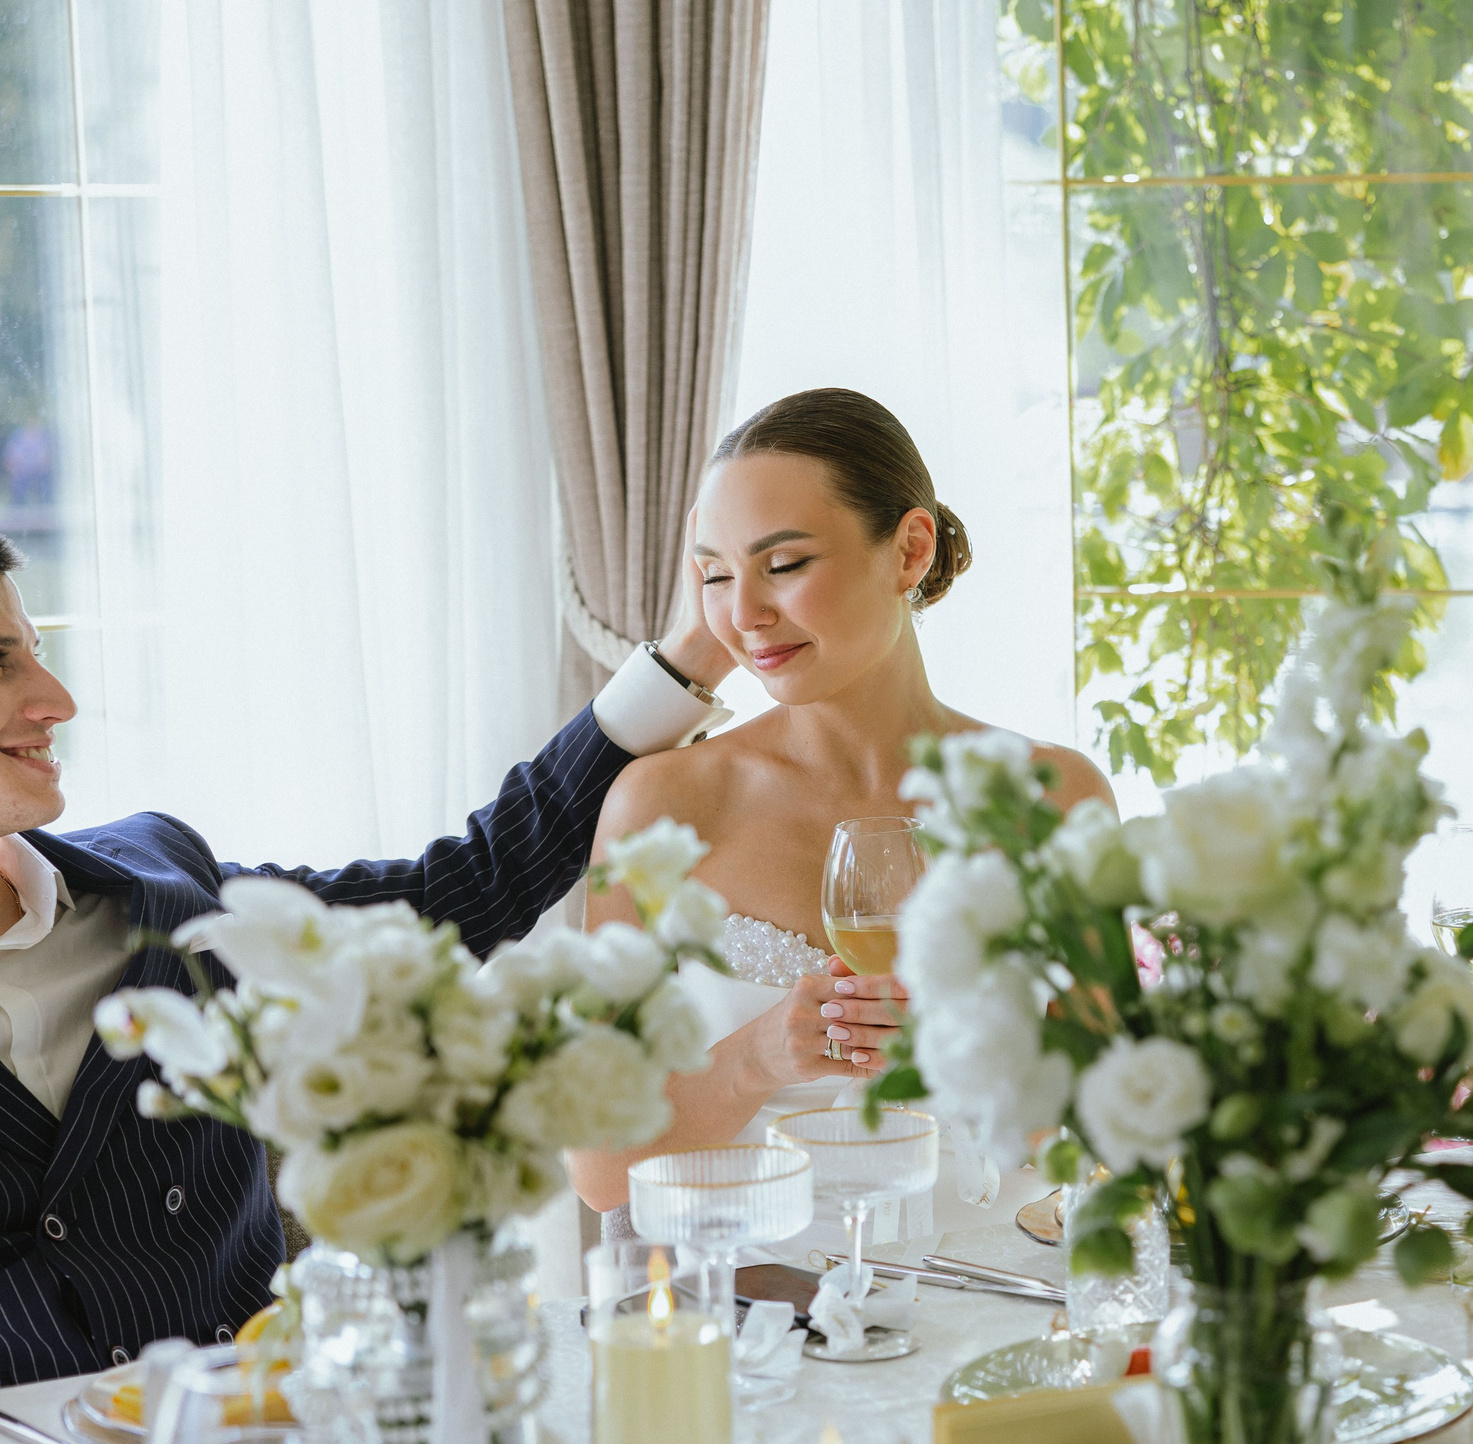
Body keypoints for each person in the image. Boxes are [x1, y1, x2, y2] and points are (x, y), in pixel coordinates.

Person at [0, 543, 735, 1382]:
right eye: (1, 663)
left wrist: (694, 649)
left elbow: (465, 887)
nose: (56, 702)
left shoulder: (161, 878)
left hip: (275, 1440)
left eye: (37, 653)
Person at [568, 388, 1111, 1218]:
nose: (742, 615)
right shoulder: (663, 807)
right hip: (757, 1319)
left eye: (783, 565)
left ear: (909, 550)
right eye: (714, 574)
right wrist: (756, 1059)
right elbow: (600, 1173)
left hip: (1006, 1302)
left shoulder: (1055, 796)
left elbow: (1111, 1130)